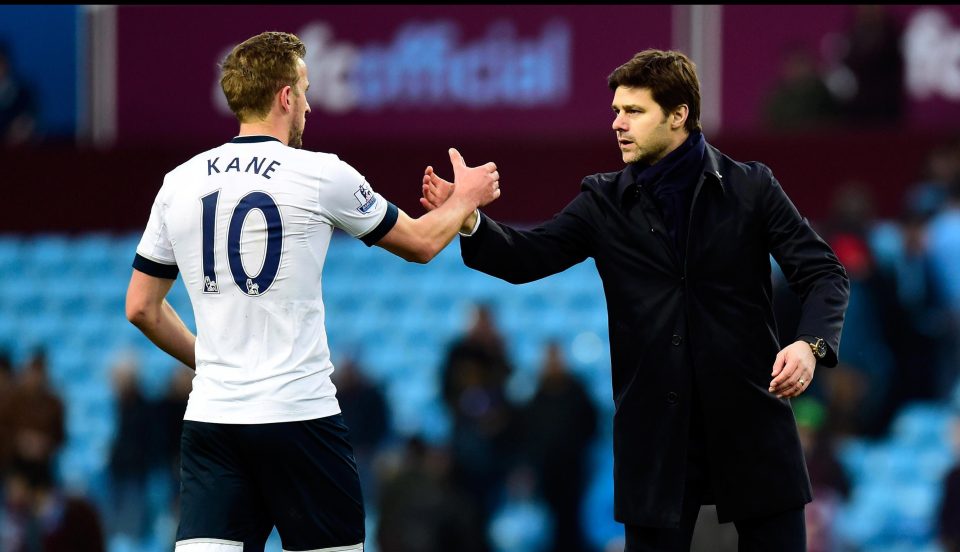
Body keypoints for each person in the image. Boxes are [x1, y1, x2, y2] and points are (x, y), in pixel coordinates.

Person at [422, 49, 850, 551]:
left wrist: (809, 345)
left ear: (678, 115)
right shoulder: (602, 201)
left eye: (634, 111)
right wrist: (468, 217)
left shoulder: (750, 187)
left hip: (752, 425)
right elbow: (525, 258)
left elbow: (824, 273)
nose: (618, 124)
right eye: (615, 112)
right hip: (655, 437)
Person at [124, 31, 500, 552]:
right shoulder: (320, 173)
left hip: (214, 420)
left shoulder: (178, 182)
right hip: (299, 417)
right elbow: (419, 244)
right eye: (304, 89)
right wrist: (466, 201)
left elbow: (141, 307)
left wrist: (209, 359)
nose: (309, 103)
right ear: (284, 97)